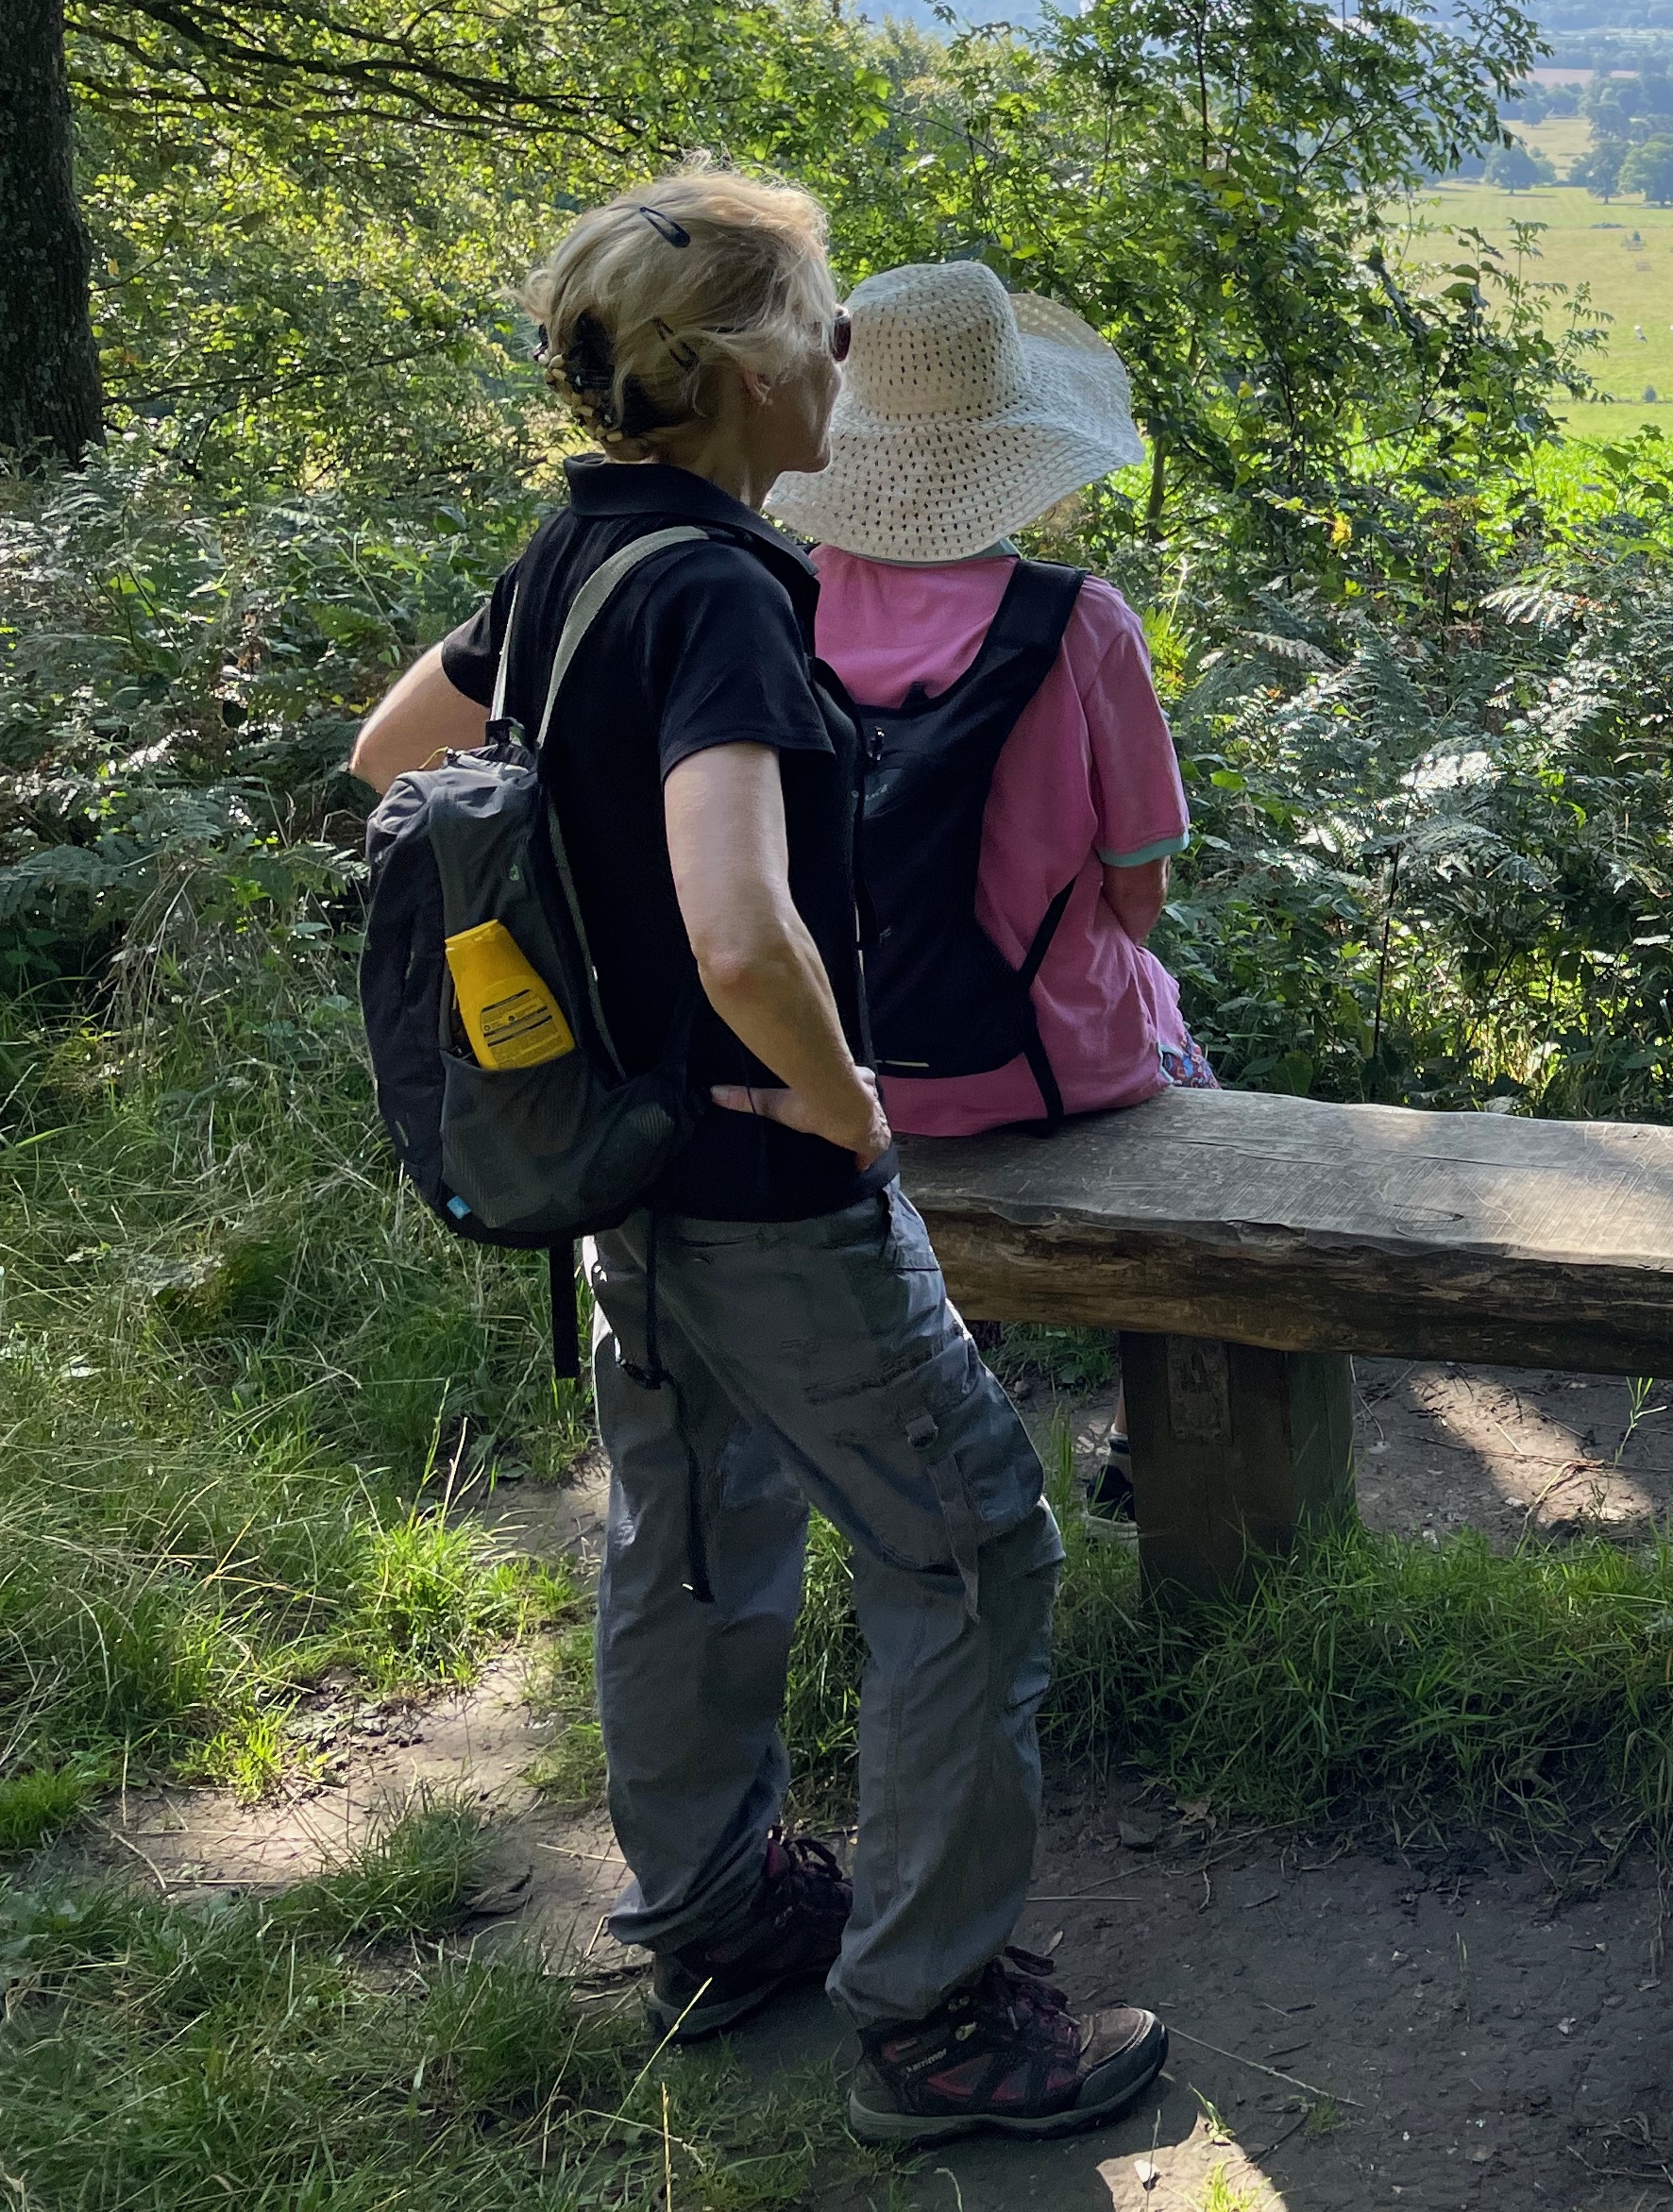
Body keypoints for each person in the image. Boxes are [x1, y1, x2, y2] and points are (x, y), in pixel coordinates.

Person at [346, 171, 1169, 2148]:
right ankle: (941, 2018)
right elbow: (739, 916)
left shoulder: (573, 554)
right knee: (972, 1548)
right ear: (729, 377)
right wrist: (847, 1100)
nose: (846, 361)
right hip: (770, 1181)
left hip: (622, 1169)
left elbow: (392, 759)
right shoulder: (718, 590)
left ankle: (714, 1915)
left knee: (691, 1535)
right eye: (819, 326)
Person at [761, 258, 1212, 1514]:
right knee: (1179, 1056)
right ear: (1019, 444)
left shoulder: (775, 599)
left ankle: (968, 1377)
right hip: (1045, 1068)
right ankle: (1146, 1440)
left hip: (835, 1061)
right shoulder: (1081, 625)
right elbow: (1136, 893)